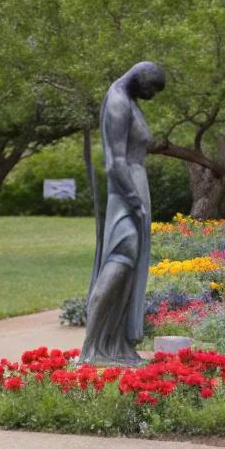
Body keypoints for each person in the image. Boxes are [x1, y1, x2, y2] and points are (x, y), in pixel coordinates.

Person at [81, 60, 166, 366]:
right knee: (120, 258)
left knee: (126, 266)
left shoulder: (126, 100)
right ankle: (93, 347)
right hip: (125, 196)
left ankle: (114, 344)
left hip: (133, 192)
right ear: (142, 77)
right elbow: (115, 162)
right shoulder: (118, 101)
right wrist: (135, 201)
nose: (152, 96)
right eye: (152, 89)